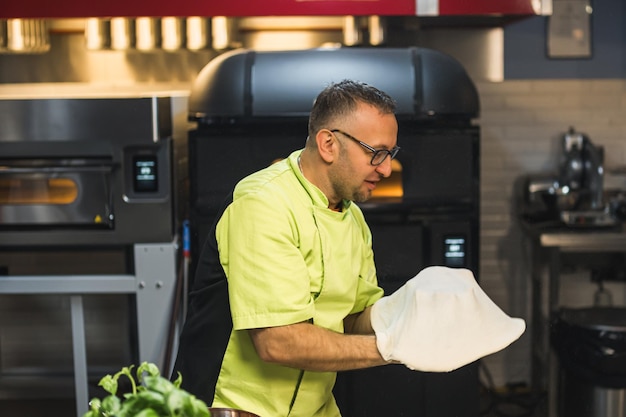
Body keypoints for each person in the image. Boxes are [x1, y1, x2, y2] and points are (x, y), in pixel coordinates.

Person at [173, 79, 399, 416]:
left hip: (315, 408)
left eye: (391, 154)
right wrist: (397, 348)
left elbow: (353, 319)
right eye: (376, 153)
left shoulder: (352, 218)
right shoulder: (263, 204)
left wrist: (412, 314)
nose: (386, 168)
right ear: (328, 144)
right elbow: (277, 341)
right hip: (233, 408)